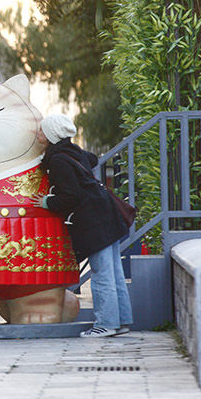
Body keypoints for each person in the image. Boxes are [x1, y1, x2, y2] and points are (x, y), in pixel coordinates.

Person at [32, 114, 133, 337]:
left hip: (94, 222)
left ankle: (105, 324)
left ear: (51, 134)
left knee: (102, 274)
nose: (38, 134)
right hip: (107, 216)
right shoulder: (73, 152)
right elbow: (93, 159)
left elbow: (71, 196)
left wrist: (47, 201)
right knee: (113, 273)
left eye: (41, 130)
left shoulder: (58, 160)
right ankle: (121, 321)